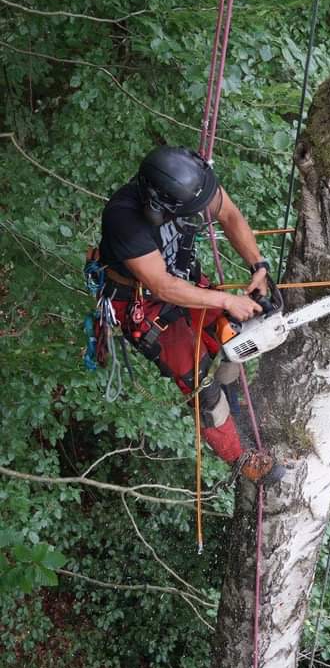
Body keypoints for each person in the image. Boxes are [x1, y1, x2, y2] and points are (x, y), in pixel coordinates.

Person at [98, 145, 284, 484]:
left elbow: (228, 214)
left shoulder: (192, 185)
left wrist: (258, 265)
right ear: (158, 206)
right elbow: (161, 286)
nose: (203, 214)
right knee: (198, 380)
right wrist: (225, 300)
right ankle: (241, 460)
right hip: (144, 301)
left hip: (182, 278)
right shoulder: (123, 218)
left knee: (234, 333)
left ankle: (232, 399)